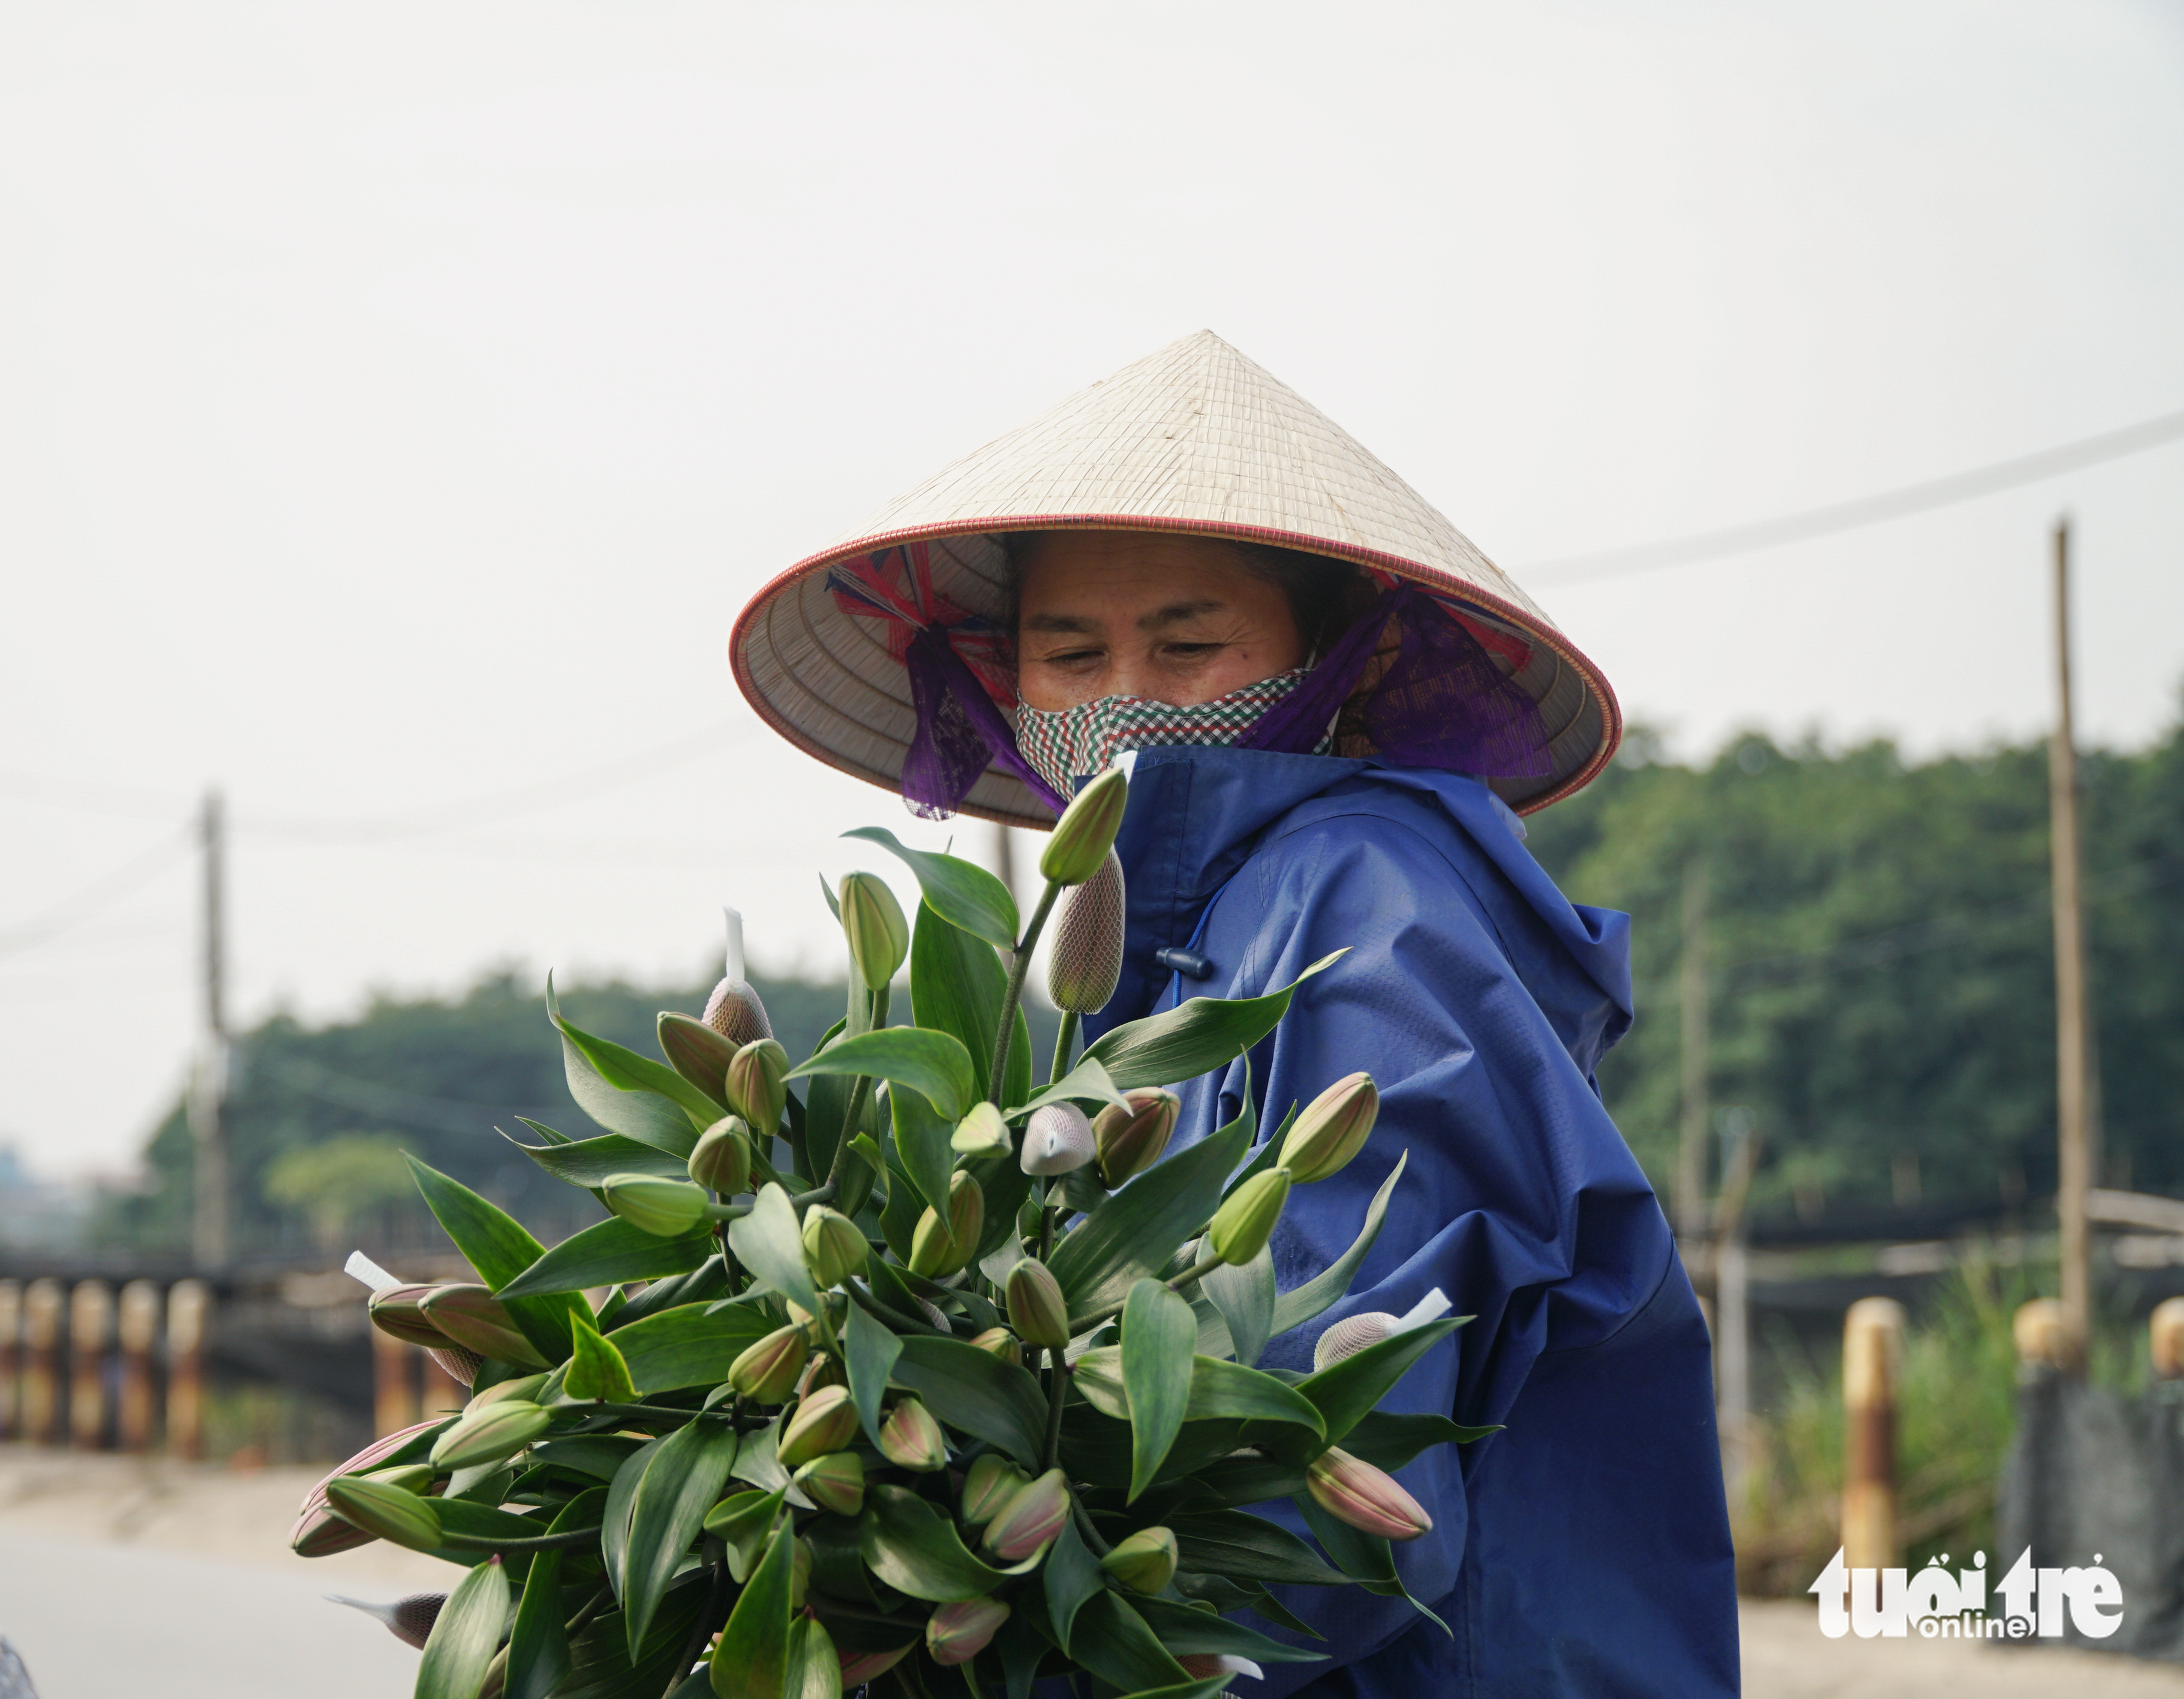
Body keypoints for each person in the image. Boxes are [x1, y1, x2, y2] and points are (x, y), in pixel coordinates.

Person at [730, 333, 1738, 1695]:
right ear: (1002, 681)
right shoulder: (1170, 952)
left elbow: (1325, 1445)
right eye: (1068, 653)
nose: (1124, 702)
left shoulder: (1366, 914)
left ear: (1337, 665)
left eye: (1189, 645)